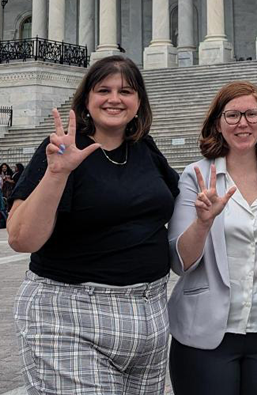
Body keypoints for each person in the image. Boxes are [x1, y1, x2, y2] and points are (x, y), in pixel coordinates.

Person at [8, 55, 179, 394]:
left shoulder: (145, 148)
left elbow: (177, 208)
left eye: (126, 91)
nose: (115, 99)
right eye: (104, 90)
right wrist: (58, 173)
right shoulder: (60, 150)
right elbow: (21, 238)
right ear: (86, 99)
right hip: (71, 317)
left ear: (139, 101)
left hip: (150, 317)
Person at [167, 81, 257, 395]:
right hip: (207, 334)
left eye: (252, 114)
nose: (243, 123)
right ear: (217, 123)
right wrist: (202, 222)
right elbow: (179, 262)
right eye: (232, 115)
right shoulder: (196, 176)